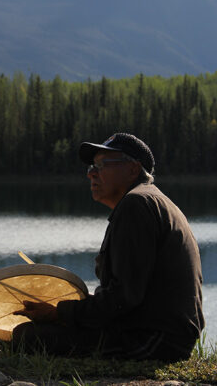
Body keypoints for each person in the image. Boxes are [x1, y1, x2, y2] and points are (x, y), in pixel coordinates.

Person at [12, 132, 205, 362]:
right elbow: (127, 295)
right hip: (165, 336)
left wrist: (58, 313)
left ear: (133, 169)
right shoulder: (148, 200)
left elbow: (124, 297)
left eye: (102, 165)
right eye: (92, 167)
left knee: (26, 336)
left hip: (153, 341)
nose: (92, 173)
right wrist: (67, 312)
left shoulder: (136, 205)